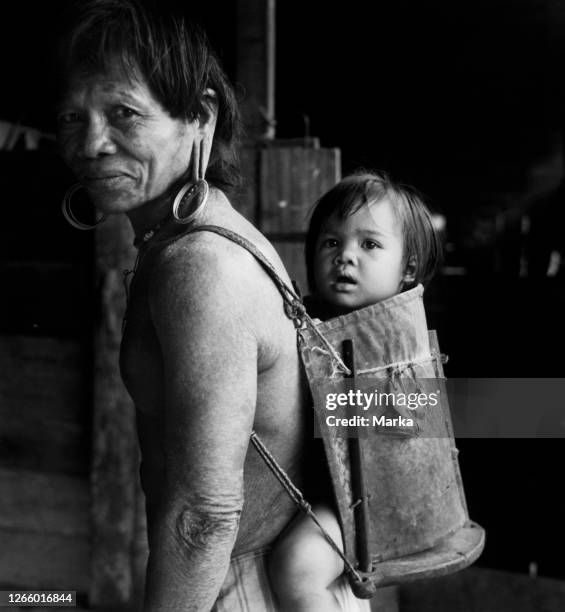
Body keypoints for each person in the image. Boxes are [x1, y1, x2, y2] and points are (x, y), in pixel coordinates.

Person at [56, 1, 367, 610]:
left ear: (200, 115)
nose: (91, 143)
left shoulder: (203, 268)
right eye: (73, 116)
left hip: (246, 588)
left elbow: (205, 514)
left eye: (123, 112)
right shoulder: (187, 243)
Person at [268, 171, 441, 610]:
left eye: (370, 244)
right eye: (331, 242)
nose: (345, 256)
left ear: (409, 268)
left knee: (296, 567)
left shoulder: (400, 340)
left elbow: (408, 431)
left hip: (376, 497)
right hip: (327, 489)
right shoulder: (303, 318)